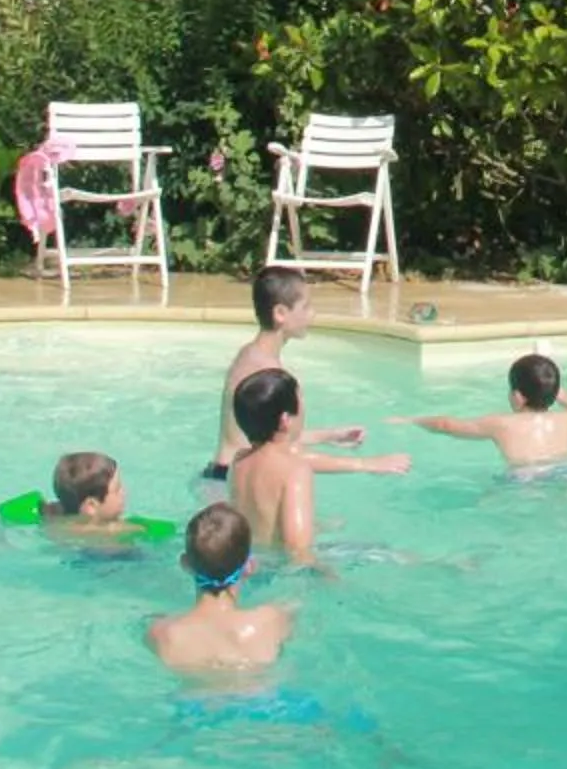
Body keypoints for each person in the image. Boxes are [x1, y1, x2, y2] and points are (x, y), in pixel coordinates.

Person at [205, 268, 375, 483]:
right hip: (236, 482)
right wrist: (367, 464)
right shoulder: (273, 378)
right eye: (306, 307)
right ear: (280, 313)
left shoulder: (248, 354)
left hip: (219, 474)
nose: (312, 314)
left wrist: (330, 435)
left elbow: (269, 437)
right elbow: (288, 454)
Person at [228, 367, 402, 567]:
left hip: (250, 562)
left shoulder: (240, 461)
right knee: (387, 552)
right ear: (285, 419)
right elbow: (298, 550)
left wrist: (359, 460)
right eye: (301, 400)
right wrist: (331, 581)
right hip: (282, 570)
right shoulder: (295, 472)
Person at [393, 353, 567, 474]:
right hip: (564, 473)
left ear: (518, 396)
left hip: (524, 479)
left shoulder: (501, 423)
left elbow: (445, 424)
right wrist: (566, 399)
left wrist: (413, 420)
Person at [147, 502, 296, 674]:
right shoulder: (271, 620)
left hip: (191, 701)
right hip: (261, 700)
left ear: (185, 564)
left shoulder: (162, 634)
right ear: (250, 566)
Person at [39, 450, 142, 537]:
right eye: (117, 489)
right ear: (91, 506)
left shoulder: (48, 517)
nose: (124, 492)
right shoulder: (107, 541)